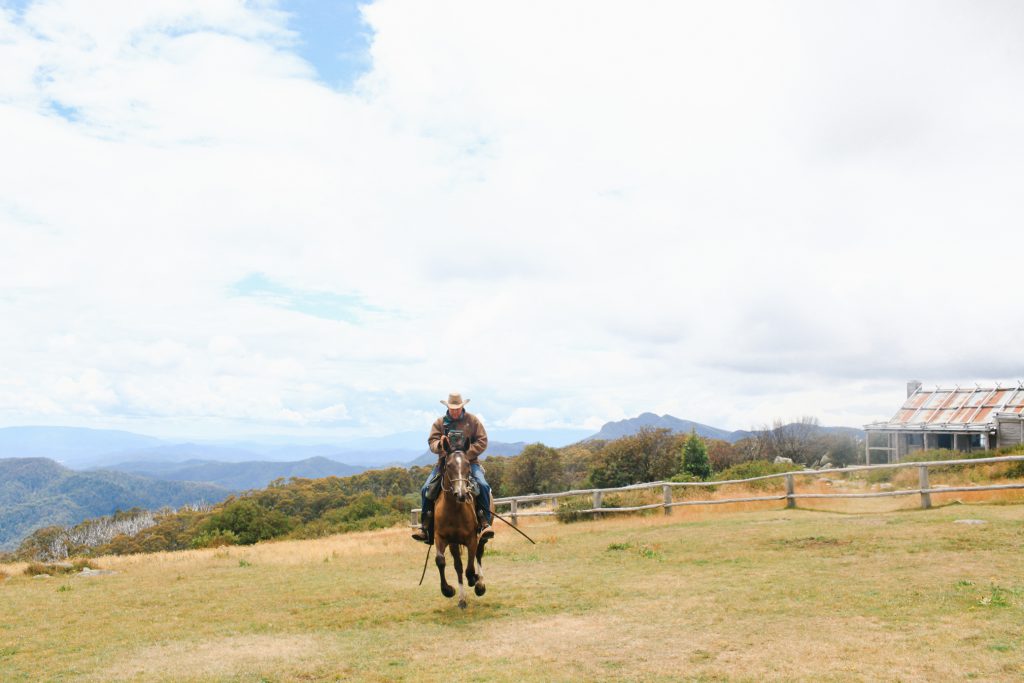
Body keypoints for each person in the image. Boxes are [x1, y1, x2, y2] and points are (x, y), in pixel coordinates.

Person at [411, 392, 492, 544]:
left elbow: (482, 440)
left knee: (483, 485)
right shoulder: (440, 423)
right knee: (426, 489)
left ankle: (484, 523)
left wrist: (465, 454)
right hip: (445, 464)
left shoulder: (473, 421)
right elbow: (432, 442)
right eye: (452, 408)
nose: (455, 411)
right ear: (448, 407)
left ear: (462, 407)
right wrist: (441, 444)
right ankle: (425, 528)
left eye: (457, 408)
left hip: (469, 463)